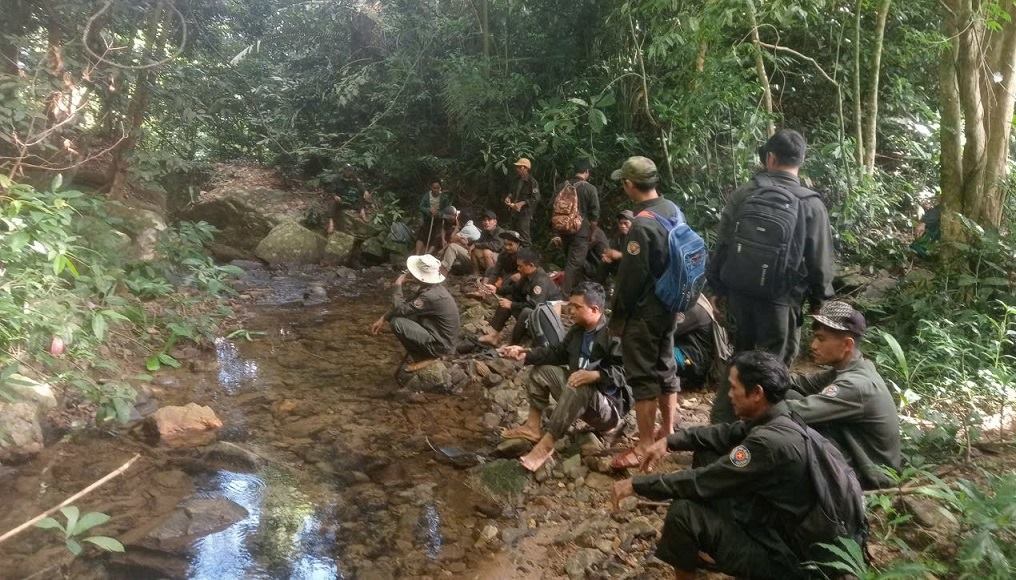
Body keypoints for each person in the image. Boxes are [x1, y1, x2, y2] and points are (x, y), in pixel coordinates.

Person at [611, 351, 818, 579]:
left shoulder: (767, 443)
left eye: (733, 388)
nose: (729, 395)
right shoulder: (778, 416)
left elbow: (705, 480)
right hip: (779, 529)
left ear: (757, 393)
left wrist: (639, 484)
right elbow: (724, 433)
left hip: (784, 561)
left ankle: (702, 550)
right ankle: (706, 544)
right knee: (708, 449)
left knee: (682, 514)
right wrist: (670, 441)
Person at [708, 129, 835, 366]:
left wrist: (717, 289)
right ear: (801, 160)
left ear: (770, 157)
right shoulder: (811, 204)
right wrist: (820, 301)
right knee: (775, 368)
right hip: (782, 300)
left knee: (740, 359)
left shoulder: (744, 193)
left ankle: (734, 399)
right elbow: (820, 261)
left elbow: (723, 245)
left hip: (739, 295)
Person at [498, 282, 630, 471]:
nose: (571, 311)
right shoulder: (578, 331)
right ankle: (532, 427)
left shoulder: (613, 335)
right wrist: (526, 353)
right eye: (570, 305)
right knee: (540, 371)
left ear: (595, 309)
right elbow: (557, 353)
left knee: (580, 384)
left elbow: (627, 372)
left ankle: (546, 445)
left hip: (607, 409)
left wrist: (596, 375)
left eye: (577, 307)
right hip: (578, 395)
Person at [607, 156, 681, 470]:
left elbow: (630, 280)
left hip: (646, 311)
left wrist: (618, 319)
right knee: (666, 365)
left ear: (628, 184)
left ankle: (645, 444)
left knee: (643, 377)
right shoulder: (673, 210)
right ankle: (669, 430)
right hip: (671, 304)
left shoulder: (642, 224)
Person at [785, 301, 901, 489]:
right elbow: (797, 384)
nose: (813, 345)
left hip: (871, 477)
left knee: (787, 422)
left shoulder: (856, 385)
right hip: (855, 456)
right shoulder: (848, 369)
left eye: (821, 339)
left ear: (847, 344)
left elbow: (796, 412)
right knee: (787, 394)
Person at [370, 254, 461, 372]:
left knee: (397, 323)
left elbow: (400, 309)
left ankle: (427, 357)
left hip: (442, 345)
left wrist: (397, 286)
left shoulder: (429, 296)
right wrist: (383, 318)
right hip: (442, 337)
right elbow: (406, 305)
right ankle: (426, 355)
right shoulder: (432, 288)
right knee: (405, 316)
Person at [478, 248, 562, 346]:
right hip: (536, 309)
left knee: (525, 311)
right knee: (508, 299)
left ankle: (514, 344)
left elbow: (535, 305)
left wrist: (512, 305)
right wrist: (496, 289)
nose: (518, 269)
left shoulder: (540, 281)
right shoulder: (528, 274)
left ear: (531, 265)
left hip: (547, 318)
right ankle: (494, 335)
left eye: (520, 266)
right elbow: (515, 289)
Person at [550, 159, 601, 294]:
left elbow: (553, 208)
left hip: (563, 229)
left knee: (570, 262)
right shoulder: (590, 188)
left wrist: (556, 232)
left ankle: (574, 292)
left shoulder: (562, 186)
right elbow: (594, 215)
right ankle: (564, 296)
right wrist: (592, 232)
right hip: (581, 231)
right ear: (586, 172)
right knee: (573, 265)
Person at [326, 164, 372, 234]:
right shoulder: (337, 178)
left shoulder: (354, 178)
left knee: (360, 196)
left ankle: (362, 212)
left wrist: (365, 191)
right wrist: (335, 196)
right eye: (346, 170)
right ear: (344, 170)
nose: (348, 172)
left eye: (349, 170)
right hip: (340, 200)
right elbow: (331, 190)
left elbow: (360, 185)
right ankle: (331, 223)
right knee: (332, 202)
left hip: (349, 199)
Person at [505, 158, 540, 245]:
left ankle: (527, 255)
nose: (517, 169)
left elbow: (536, 198)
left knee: (524, 235)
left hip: (524, 213)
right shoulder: (516, 180)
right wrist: (508, 197)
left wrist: (523, 203)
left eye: (519, 167)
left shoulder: (532, 182)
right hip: (514, 211)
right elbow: (512, 192)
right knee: (512, 234)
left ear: (525, 168)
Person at [415, 180, 452, 254]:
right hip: (427, 218)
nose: (436, 190)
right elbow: (421, 207)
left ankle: (428, 254)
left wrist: (438, 213)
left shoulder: (444, 198)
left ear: (440, 188)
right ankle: (417, 253)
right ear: (431, 188)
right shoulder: (426, 196)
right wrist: (429, 210)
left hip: (438, 219)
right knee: (422, 233)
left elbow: (447, 210)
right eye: (434, 188)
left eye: (437, 188)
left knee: (437, 235)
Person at [439, 210, 482, 274]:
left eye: (458, 218)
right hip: (476, 257)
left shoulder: (467, 229)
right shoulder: (471, 226)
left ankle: (443, 271)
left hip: (476, 261)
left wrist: (457, 227)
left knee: (452, 247)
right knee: (459, 242)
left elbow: (452, 239)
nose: (457, 219)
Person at [599, 209, 633, 284]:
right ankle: (599, 285)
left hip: (633, 269)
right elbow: (610, 249)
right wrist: (607, 256)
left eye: (626, 223)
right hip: (619, 267)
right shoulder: (618, 236)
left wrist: (620, 255)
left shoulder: (636, 236)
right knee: (604, 262)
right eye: (620, 223)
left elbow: (638, 257)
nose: (623, 226)